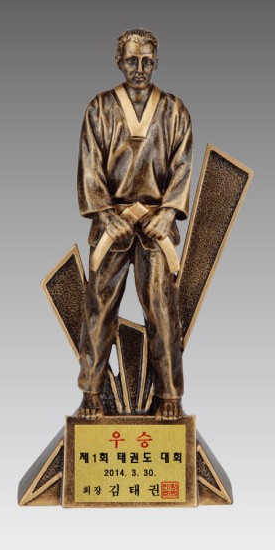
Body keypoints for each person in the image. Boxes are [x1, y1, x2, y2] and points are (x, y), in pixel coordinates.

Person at [76, 28, 192, 420]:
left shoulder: (174, 110)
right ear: (119, 62)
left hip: (156, 224)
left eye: (146, 61)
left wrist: (168, 212)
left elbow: (181, 167)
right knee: (98, 306)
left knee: (162, 306)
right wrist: (106, 215)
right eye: (131, 60)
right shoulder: (99, 108)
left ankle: (169, 394)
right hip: (112, 224)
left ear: (156, 62)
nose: (139, 69)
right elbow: (90, 168)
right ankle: (91, 392)